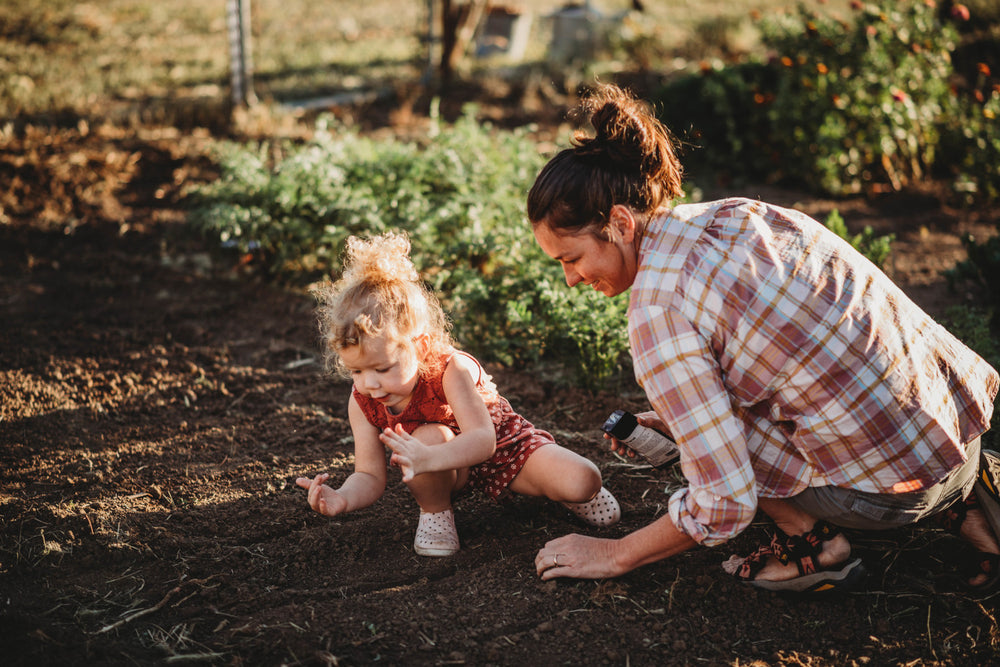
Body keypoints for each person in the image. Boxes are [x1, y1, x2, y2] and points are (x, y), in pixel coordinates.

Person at [526, 83, 1000, 593]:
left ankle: (815, 547)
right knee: (698, 419)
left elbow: (725, 500)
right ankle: (967, 498)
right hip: (957, 431)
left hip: (887, 496)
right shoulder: (733, 216)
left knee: (706, 444)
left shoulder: (657, 312)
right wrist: (677, 418)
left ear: (619, 223)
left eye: (571, 259)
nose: (571, 280)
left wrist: (614, 554)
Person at [296, 231, 621, 557]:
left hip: (505, 449)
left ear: (421, 347)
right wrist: (343, 498)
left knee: (583, 481)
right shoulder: (363, 400)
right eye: (357, 371)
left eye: (382, 369)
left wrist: (429, 459)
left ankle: (560, 490)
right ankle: (436, 512)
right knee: (427, 437)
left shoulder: (451, 370)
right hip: (443, 470)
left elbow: (484, 441)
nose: (371, 384)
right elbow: (368, 474)